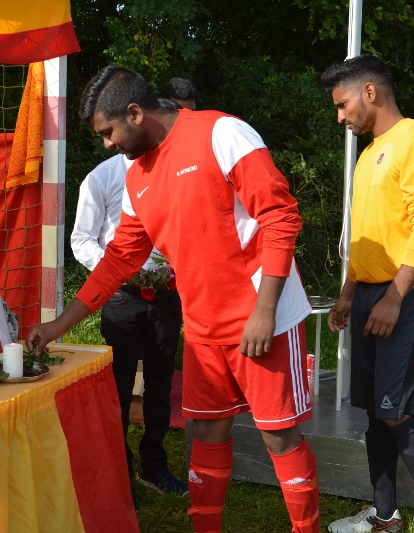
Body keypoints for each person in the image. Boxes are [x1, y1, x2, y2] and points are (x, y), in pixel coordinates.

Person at [27, 66, 319, 533]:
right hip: (202, 327)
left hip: (263, 317)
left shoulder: (222, 132)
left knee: (278, 435)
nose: (106, 144)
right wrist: (60, 324)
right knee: (206, 433)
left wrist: (265, 312)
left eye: (108, 132)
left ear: (135, 113)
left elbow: (280, 217)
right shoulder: (136, 177)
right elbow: (118, 259)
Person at [320, 54, 414, 533]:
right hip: (368, 294)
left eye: (342, 104)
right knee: (374, 411)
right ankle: (385, 517)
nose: (340, 116)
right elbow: (368, 237)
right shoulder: (369, 153)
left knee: (396, 411)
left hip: (406, 293)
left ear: (370, 92)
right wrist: (348, 293)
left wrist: (395, 296)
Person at [71, 135, 186, 495]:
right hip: (121, 296)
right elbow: (81, 239)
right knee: (118, 385)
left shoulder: (175, 171)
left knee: (161, 383)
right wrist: (119, 271)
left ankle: (154, 466)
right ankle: (118, 470)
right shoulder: (102, 177)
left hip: (167, 293)